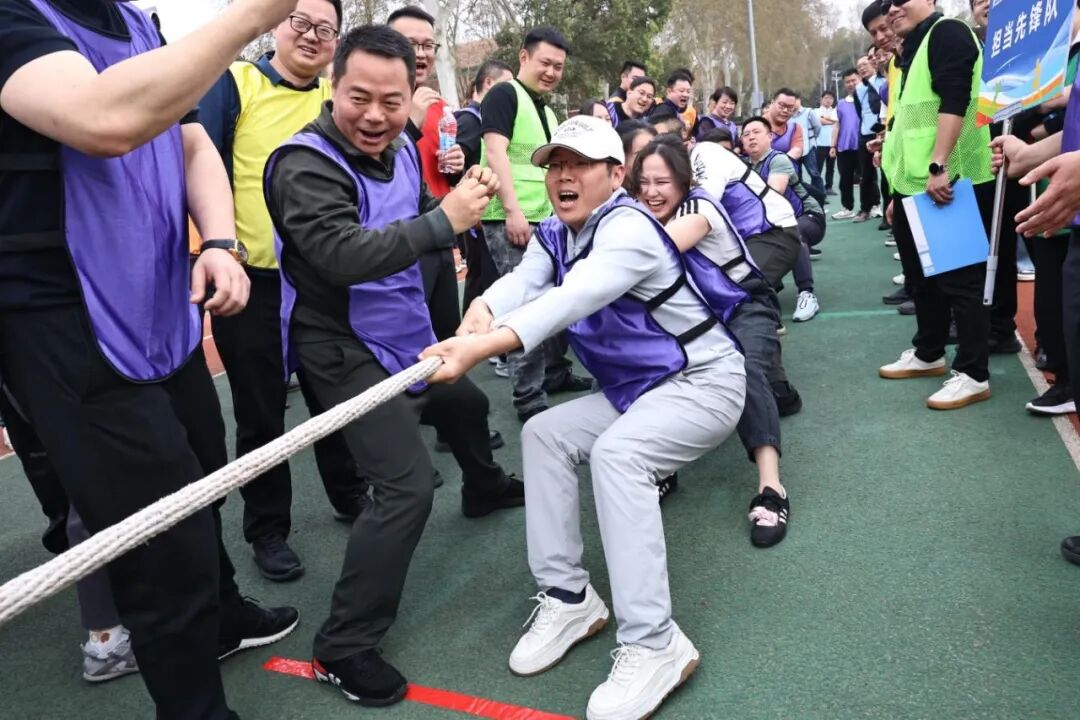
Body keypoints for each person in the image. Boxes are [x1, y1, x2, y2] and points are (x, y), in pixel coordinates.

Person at [0, 0, 301, 716]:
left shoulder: (137, 22)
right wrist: (256, 15)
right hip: (67, 321)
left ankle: (222, 616)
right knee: (161, 551)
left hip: (161, 303)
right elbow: (103, 119)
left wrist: (220, 241)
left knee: (204, 476)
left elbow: (190, 140)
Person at [421, 114, 747, 720]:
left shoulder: (629, 228)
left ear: (616, 175)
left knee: (620, 456)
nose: (563, 177)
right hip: (641, 390)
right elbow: (527, 281)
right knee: (544, 432)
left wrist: (480, 347)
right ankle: (570, 598)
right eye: (554, 166)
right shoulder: (556, 232)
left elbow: (570, 299)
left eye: (579, 165)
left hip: (705, 382)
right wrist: (482, 308)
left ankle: (655, 643)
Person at [263, 24, 525, 707]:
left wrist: (456, 204)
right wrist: (445, 221)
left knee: (467, 404)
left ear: (413, 95)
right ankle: (342, 644)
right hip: (340, 346)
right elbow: (341, 253)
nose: (375, 115)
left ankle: (485, 486)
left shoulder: (404, 146)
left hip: (403, 330)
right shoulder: (304, 163)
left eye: (392, 100)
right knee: (406, 487)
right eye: (360, 98)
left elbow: (416, 216)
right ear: (333, 86)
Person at [199, 0, 368, 582]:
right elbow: (201, 166)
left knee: (334, 398)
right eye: (301, 22)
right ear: (276, 23)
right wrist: (219, 249)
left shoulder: (336, 98)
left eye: (326, 29)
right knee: (260, 412)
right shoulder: (235, 83)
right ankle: (267, 529)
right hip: (252, 283)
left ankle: (349, 493)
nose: (312, 36)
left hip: (321, 280)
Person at [633, 135, 791, 546]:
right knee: (649, 369)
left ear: (683, 181)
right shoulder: (636, 215)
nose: (651, 192)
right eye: (643, 182)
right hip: (696, 322)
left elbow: (652, 252)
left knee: (744, 368)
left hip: (743, 307)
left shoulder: (699, 207)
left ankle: (772, 487)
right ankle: (662, 469)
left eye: (662, 182)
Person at [878, 0, 994, 410]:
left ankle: (974, 374)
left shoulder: (947, 32)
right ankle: (929, 352)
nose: (892, 9)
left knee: (960, 281)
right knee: (921, 278)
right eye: (888, 5)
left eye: (900, 0)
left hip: (950, 178)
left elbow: (955, 100)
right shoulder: (913, 47)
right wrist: (898, 192)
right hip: (914, 185)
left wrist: (938, 165)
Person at [480, 26, 592, 423]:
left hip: (546, 221)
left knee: (557, 298)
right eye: (545, 62)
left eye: (558, 66)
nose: (552, 72)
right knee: (523, 307)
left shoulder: (547, 110)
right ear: (523, 57)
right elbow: (496, 153)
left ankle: (555, 373)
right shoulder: (504, 94)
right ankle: (528, 398)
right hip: (512, 218)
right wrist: (512, 210)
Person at [388, 6, 466, 341]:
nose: (420, 54)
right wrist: (410, 120)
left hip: (441, 235)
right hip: (397, 243)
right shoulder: (374, 103)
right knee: (407, 341)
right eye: (410, 44)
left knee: (446, 334)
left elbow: (439, 172)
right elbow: (376, 168)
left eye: (427, 45)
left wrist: (456, 167)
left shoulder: (440, 106)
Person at [743, 116, 824, 323]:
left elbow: (774, 191)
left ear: (769, 136)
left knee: (795, 233)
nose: (751, 137)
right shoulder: (743, 167)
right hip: (774, 225)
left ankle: (807, 293)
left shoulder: (777, 159)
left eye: (756, 132)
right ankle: (767, 288)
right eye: (746, 134)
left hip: (808, 216)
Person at [457, 59, 513, 310]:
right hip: (476, 215)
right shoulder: (471, 121)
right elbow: (451, 168)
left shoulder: (486, 118)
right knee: (480, 279)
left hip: (479, 211)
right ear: (489, 83)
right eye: (507, 85)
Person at [852, 52, 884, 222]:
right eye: (859, 67)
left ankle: (888, 211)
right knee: (866, 174)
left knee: (887, 173)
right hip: (866, 133)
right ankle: (865, 208)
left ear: (872, 63)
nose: (862, 68)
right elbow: (860, 111)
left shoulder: (884, 81)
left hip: (884, 131)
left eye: (864, 64)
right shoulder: (858, 89)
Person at [831, 70, 862, 221]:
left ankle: (872, 206)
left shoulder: (866, 99)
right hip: (844, 147)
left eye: (853, 80)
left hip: (863, 145)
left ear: (860, 79)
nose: (851, 84)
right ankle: (847, 208)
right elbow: (836, 126)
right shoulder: (841, 104)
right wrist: (833, 146)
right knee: (845, 180)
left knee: (867, 178)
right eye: (847, 82)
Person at [814, 90, 838, 193]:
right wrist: (834, 121)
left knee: (831, 167)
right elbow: (821, 121)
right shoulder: (816, 111)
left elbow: (837, 122)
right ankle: (816, 188)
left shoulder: (836, 111)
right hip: (819, 144)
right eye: (826, 98)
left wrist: (830, 120)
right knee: (817, 168)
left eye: (831, 98)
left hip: (832, 144)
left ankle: (829, 187)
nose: (828, 100)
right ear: (821, 99)